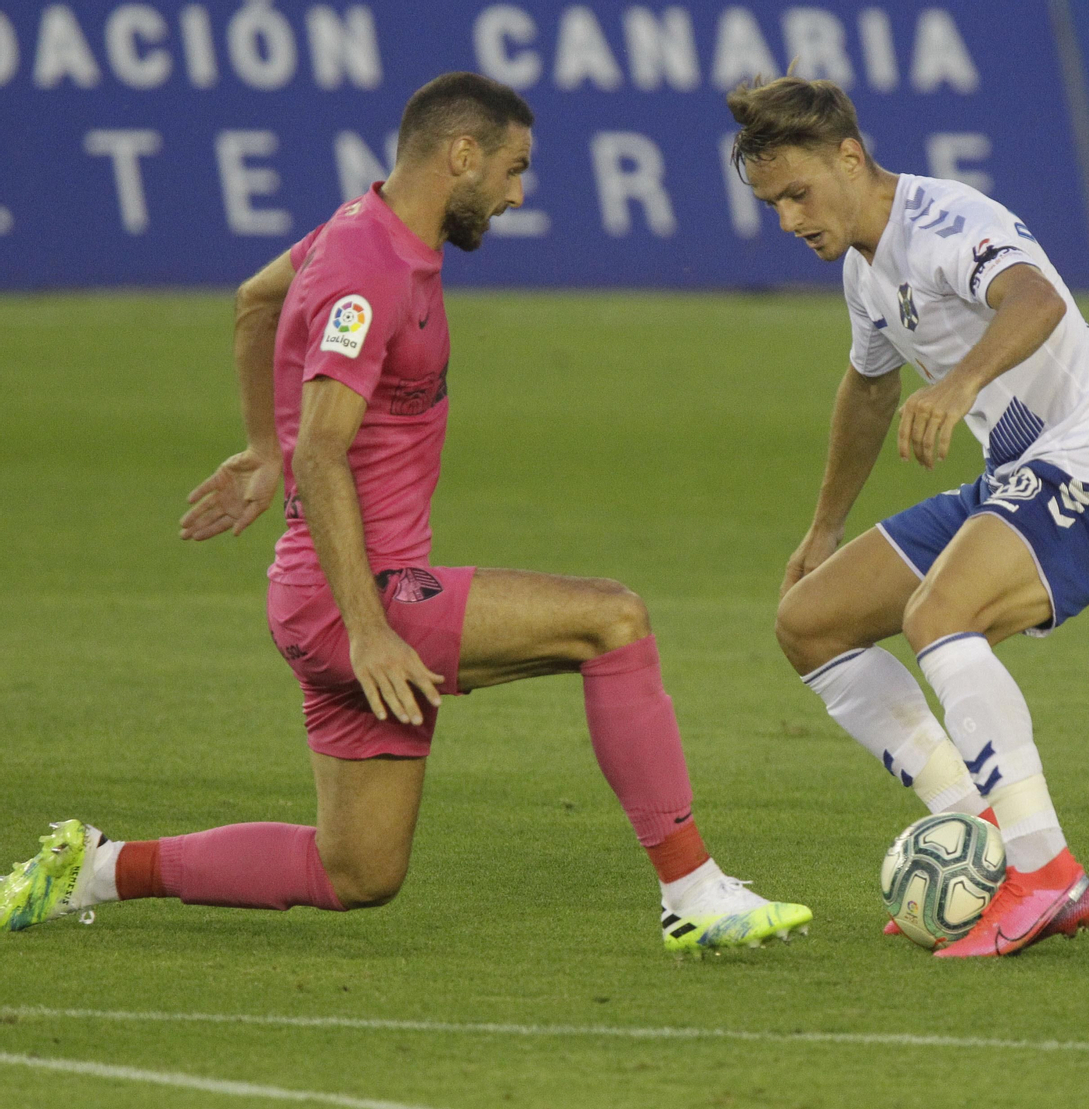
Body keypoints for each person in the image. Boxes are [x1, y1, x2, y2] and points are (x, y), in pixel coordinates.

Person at [3, 72, 809, 956]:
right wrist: (365, 624)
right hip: (355, 598)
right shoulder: (368, 270)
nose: (516, 193)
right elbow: (324, 447)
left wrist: (260, 448)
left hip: (325, 598)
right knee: (613, 620)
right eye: (511, 168)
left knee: (357, 871)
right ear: (461, 155)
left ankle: (96, 868)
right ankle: (694, 892)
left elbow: (255, 301)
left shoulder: (357, 232)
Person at [727, 77, 1089, 957]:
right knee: (810, 623)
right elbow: (870, 387)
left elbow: (1035, 299)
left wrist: (959, 384)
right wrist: (823, 529)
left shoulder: (946, 219)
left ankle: (1048, 872)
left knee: (938, 616)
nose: (788, 219)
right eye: (772, 204)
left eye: (797, 193)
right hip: (1011, 483)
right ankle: (978, 842)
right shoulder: (863, 269)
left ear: (850, 158)